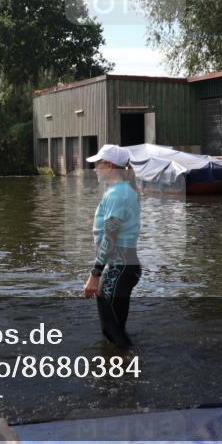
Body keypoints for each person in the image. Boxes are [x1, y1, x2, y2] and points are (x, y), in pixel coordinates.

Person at [82, 144, 142, 350]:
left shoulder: (117, 194)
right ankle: (121, 374)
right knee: (116, 330)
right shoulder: (121, 191)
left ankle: (128, 371)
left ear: (108, 165)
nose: (95, 169)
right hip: (123, 266)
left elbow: (110, 237)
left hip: (120, 267)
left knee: (113, 332)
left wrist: (95, 274)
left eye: (97, 164)